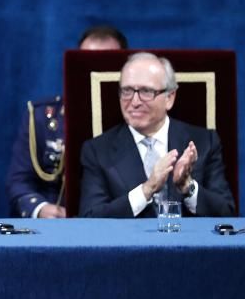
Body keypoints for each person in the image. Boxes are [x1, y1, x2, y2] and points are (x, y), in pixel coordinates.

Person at [79, 52, 235, 218]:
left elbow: (227, 213)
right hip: (129, 242)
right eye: (126, 91)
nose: (135, 102)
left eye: (146, 91)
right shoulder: (97, 150)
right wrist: (147, 189)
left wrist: (188, 187)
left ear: (169, 97)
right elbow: (90, 218)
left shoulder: (204, 142)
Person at [5, 25, 127, 219]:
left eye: (103, 64)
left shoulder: (134, 120)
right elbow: (18, 181)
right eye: (85, 63)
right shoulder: (42, 118)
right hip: (55, 225)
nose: (92, 73)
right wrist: (41, 208)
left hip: (115, 222)